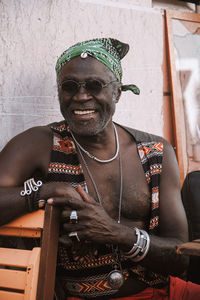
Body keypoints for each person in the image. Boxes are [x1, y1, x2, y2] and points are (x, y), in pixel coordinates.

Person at [0, 38, 200, 300]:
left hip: (161, 292)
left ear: (117, 91)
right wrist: (45, 191)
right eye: (69, 87)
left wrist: (117, 233)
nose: (81, 96)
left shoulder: (155, 152)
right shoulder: (38, 144)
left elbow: (180, 258)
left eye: (95, 85)